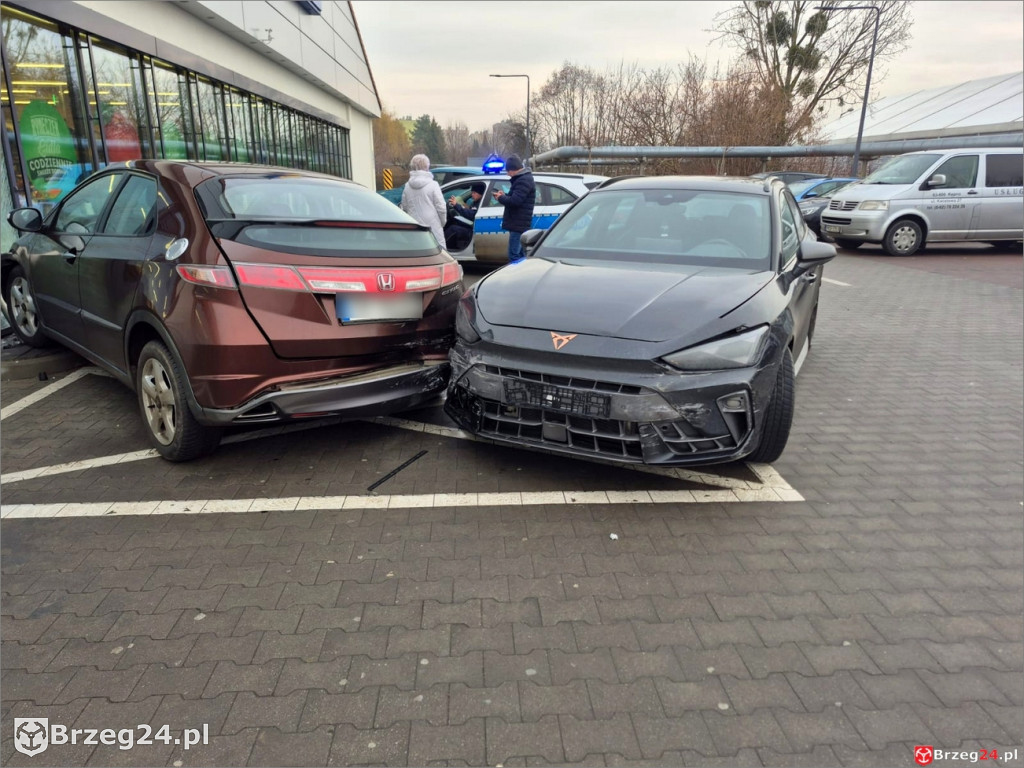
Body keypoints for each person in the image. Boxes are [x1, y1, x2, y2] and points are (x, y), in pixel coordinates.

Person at [491, 154, 535, 263]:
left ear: (513, 169)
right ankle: (524, 276)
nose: (507, 174)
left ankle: (517, 277)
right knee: (520, 255)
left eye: (508, 171)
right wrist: (504, 195)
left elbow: (515, 201)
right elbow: (516, 197)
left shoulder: (523, 180)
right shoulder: (523, 179)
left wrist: (501, 198)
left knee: (514, 255)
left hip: (518, 224)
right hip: (519, 223)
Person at [400, 154, 446, 248]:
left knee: (417, 254)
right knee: (438, 254)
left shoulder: (407, 186)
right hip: (432, 226)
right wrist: (442, 222)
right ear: (427, 166)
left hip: (414, 226)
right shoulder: (433, 185)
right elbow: (441, 208)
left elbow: (404, 207)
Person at [443, 183, 484, 251]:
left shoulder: (479, 203)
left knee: (453, 228)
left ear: (480, 194)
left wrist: (456, 205)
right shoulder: (476, 202)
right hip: (472, 225)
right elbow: (470, 211)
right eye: (472, 192)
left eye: (474, 193)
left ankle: (441, 247)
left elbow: (471, 214)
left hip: (473, 230)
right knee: (456, 222)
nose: (472, 195)